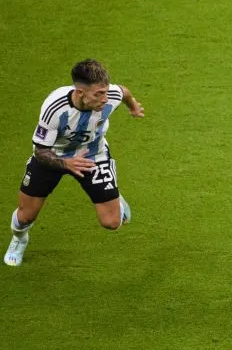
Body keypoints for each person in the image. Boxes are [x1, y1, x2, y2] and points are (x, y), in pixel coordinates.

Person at [4, 60, 145, 266]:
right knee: (26, 216)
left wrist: (133, 106)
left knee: (112, 223)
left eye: (105, 92)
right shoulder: (54, 108)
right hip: (53, 156)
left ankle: (113, 193)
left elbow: (123, 92)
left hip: (92, 155)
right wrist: (66, 164)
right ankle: (19, 239)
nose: (105, 99)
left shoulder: (110, 95)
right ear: (80, 93)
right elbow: (41, 150)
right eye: (98, 94)